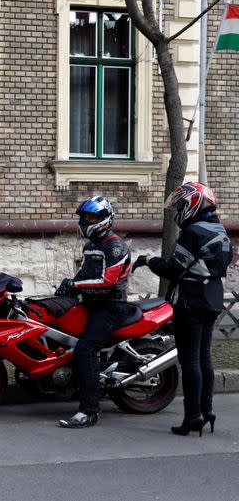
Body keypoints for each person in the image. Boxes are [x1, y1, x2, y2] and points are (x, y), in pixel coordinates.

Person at [133, 182, 233, 436]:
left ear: (192, 205)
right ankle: (207, 410)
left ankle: (192, 416)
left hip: (190, 300)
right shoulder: (219, 230)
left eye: (180, 205)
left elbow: (172, 269)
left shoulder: (193, 233)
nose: (178, 210)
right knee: (204, 358)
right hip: (212, 298)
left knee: (190, 360)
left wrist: (148, 260)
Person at [57, 196, 132, 429]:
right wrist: (66, 289)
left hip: (111, 306)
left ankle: (89, 411)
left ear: (104, 219)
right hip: (90, 303)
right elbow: (82, 274)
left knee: (85, 350)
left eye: (91, 217)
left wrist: (74, 285)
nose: (86, 221)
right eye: (84, 217)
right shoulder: (91, 246)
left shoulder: (115, 246)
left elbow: (107, 281)